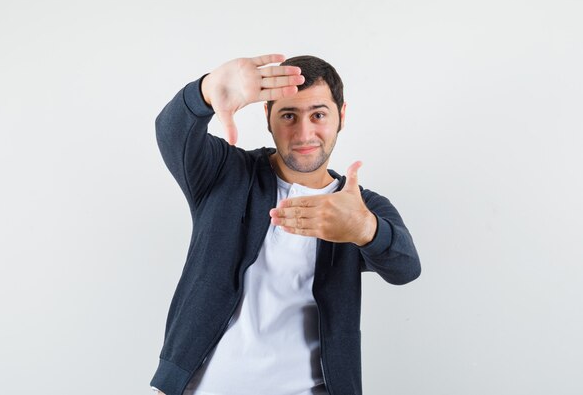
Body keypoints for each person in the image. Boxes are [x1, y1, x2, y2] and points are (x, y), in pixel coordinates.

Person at [150, 54, 421, 395]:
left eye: (318, 114)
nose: (304, 133)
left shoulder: (357, 206)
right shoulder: (226, 174)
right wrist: (205, 92)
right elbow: (172, 131)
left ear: (342, 116)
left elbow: (406, 267)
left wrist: (366, 230)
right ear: (267, 116)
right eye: (289, 115)